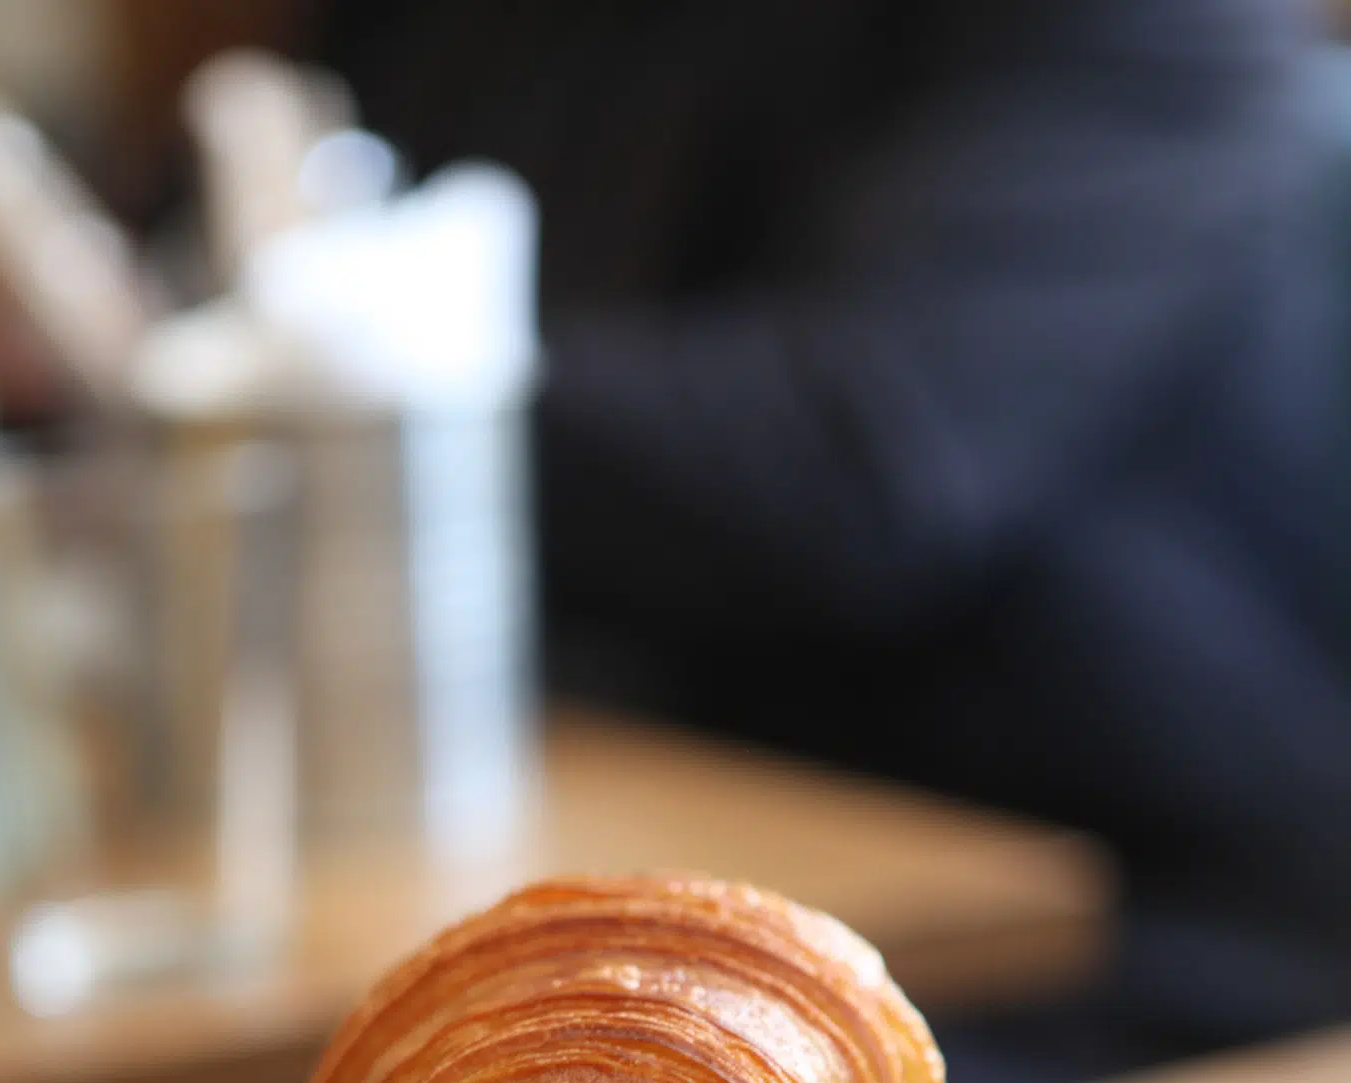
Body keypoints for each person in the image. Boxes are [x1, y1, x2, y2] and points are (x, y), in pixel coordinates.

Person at [327, 0, 1348, 1030]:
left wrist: (322, 384)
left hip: (1105, 929)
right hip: (628, 846)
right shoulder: (484, 30)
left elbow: (871, 460)